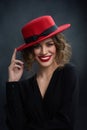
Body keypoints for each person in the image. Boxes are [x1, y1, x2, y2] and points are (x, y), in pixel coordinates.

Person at [6, 15, 79, 130]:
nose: (44, 52)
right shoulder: (23, 87)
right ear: (31, 51)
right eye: (37, 47)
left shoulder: (68, 73)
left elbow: (65, 123)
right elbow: (14, 125)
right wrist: (12, 83)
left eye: (49, 44)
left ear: (57, 45)